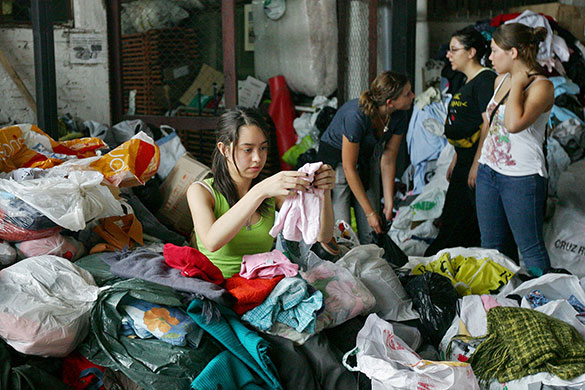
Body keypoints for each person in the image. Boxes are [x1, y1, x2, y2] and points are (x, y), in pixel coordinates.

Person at [186, 107, 336, 278]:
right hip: (217, 290)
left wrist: (323, 193)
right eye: (248, 150)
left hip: (260, 290)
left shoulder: (272, 194)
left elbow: (322, 235)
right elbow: (212, 241)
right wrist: (260, 191)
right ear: (224, 149)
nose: (257, 158)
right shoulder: (201, 191)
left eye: (263, 148)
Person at [476, 23, 554, 276]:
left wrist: (518, 83)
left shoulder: (541, 87)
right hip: (490, 172)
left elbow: (512, 124)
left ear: (513, 53)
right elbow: (489, 125)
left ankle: (546, 303)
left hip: (522, 177)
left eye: (494, 50)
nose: (489, 57)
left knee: (530, 249)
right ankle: (501, 302)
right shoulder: (500, 80)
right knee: (491, 247)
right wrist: (478, 163)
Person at [317, 71, 414, 244]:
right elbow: (349, 167)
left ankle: (369, 263)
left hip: (367, 154)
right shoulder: (356, 115)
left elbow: (389, 158)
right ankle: (343, 261)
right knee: (343, 227)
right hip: (337, 159)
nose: (412, 96)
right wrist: (370, 213)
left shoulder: (399, 114)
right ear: (390, 102)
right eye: (407, 94)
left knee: (372, 229)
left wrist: (389, 203)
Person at [424, 27, 496, 256]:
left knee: (461, 221)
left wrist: (476, 163)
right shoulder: (465, 81)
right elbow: (466, 123)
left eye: (454, 49)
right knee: (453, 217)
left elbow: (488, 124)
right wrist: (456, 158)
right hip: (463, 159)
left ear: (471, 52)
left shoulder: (485, 80)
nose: (448, 54)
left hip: (475, 161)